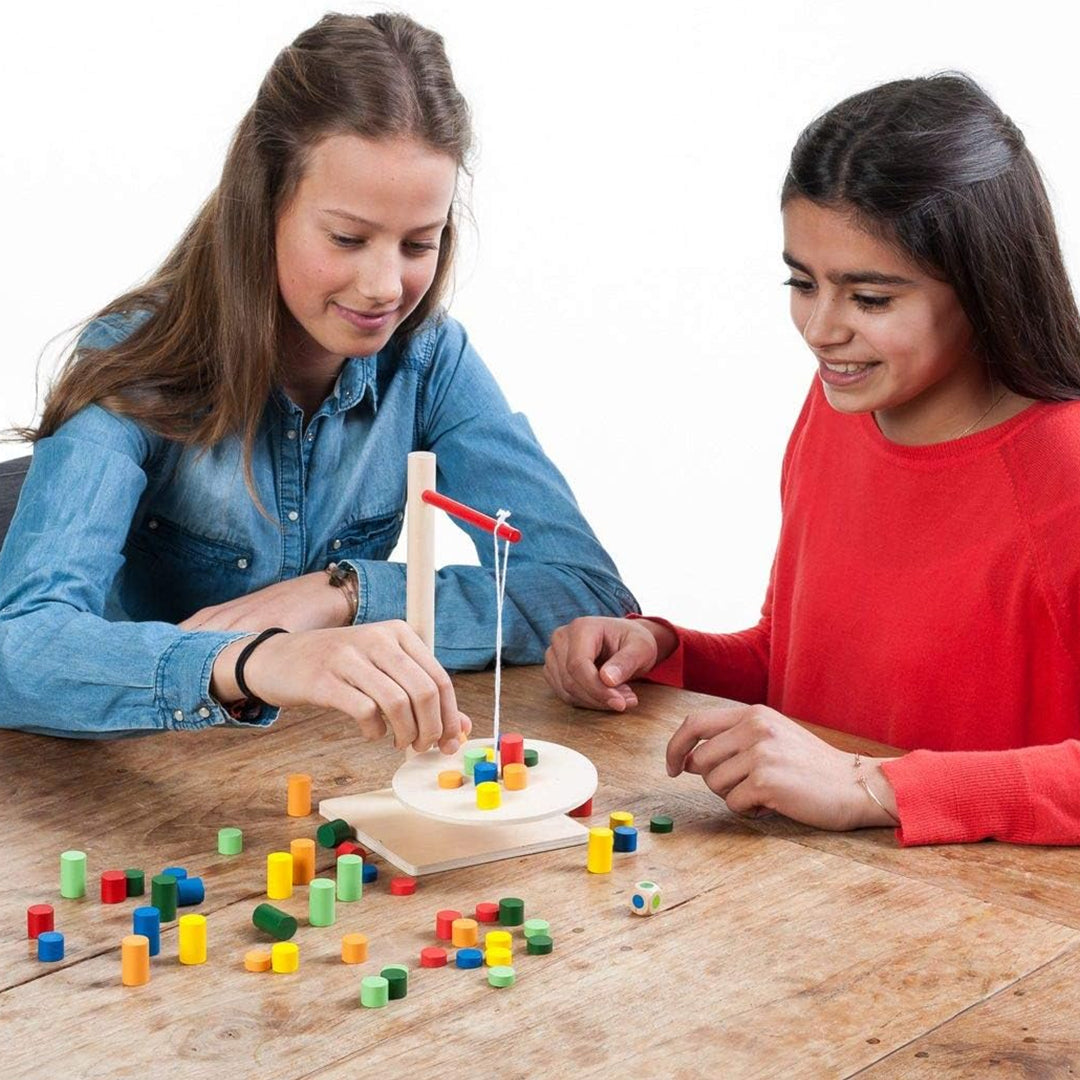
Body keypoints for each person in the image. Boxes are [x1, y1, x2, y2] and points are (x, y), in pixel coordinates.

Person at [0, 12, 636, 746]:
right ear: (262, 205)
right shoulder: (137, 359)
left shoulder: (429, 361)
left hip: (313, 778)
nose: (384, 286)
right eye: (347, 238)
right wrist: (254, 662)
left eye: (419, 243)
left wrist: (344, 594)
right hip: (121, 793)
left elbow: (586, 593)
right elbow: (20, 648)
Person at [544, 73, 1080, 847]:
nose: (820, 329)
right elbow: (805, 664)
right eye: (802, 282)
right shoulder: (843, 405)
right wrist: (664, 650)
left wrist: (872, 785)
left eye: (869, 299)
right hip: (825, 906)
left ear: (983, 287)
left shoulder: (1063, 467)